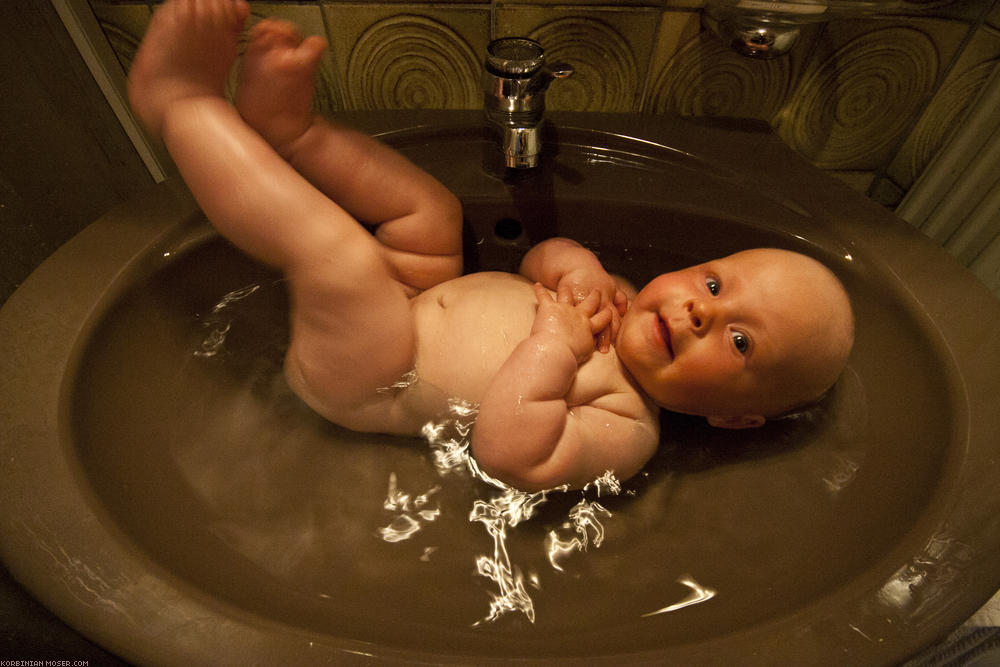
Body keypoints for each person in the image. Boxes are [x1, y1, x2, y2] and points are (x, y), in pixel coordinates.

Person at [127, 0, 854, 491]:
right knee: (432, 212)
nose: (700, 311)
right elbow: (534, 262)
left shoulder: (628, 428)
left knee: (337, 257)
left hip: (378, 371)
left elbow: (508, 455)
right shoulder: (627, 303)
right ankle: (291, 133)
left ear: (732, 416)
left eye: (739, 343)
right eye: (717, 287)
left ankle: (178, 101)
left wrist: (559, 346)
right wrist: (579, 267)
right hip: (419, 294)